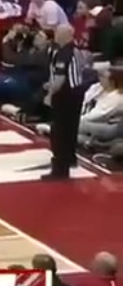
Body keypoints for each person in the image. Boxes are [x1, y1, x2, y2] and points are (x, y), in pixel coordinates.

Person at [44, 23, 89, 180]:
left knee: (59, 132)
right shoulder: (76, 50)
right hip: (76, 93)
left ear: (65, 35)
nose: (55, 35)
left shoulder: (64, 53)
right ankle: (70, 158)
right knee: (71, 129)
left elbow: (60, 78)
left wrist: (49, 94)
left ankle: (60, 168)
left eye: (57, 32)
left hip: (65, 95)